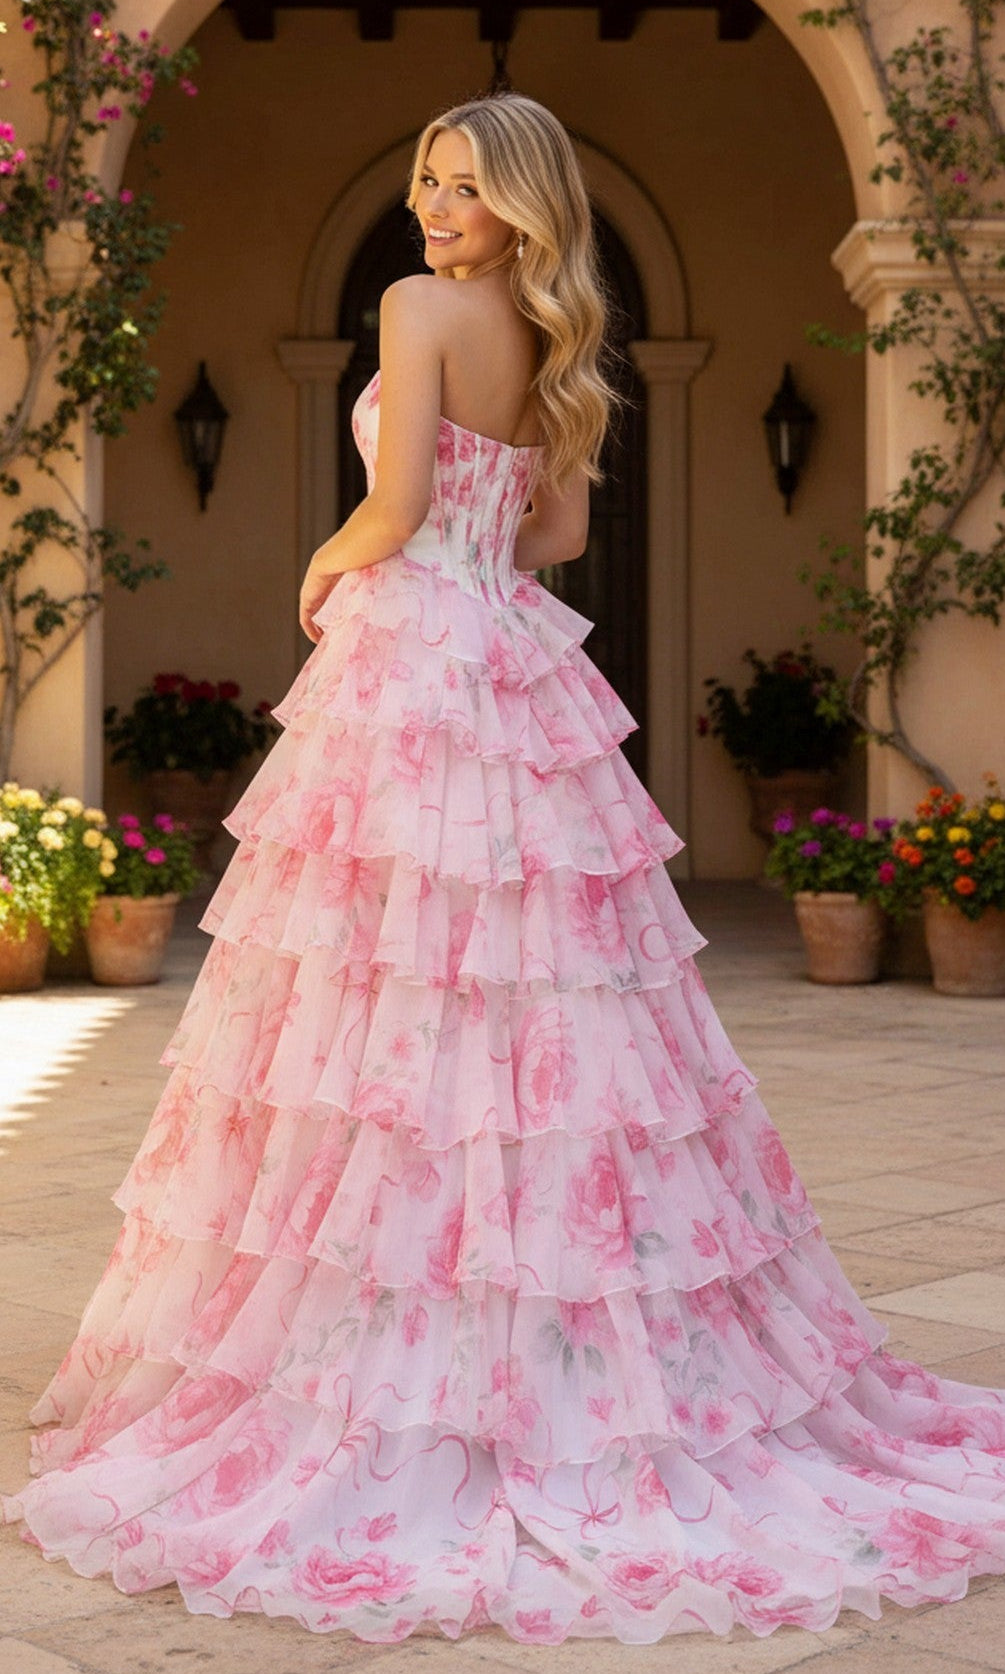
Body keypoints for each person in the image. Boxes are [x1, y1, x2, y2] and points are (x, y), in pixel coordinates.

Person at [3, 91, 1005, 1647]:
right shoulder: (555, 343)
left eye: (465, 185)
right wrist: (449, 533)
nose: (431, 205)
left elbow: (394, 507)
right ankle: (539, 1314)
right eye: (424, 176)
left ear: (521, 200)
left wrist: (325, 562)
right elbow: (548, 540)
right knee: (537, 989)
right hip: (511, 660)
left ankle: (403, 1319)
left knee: (382, 988)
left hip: (409, 661)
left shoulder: (409, 310)